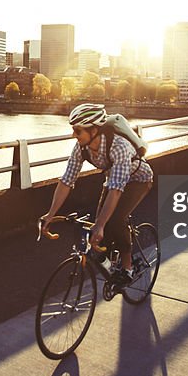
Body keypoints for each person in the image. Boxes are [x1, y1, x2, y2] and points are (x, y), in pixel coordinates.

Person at [40, 103, 154, 286]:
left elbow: (117, 190)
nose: (73, 135)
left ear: (94, 130)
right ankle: (112, 261)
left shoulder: (119, 146)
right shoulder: (81, 148)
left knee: (115, 220)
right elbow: (67, 181)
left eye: (78, 131)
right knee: (101, 229)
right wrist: (50, 214)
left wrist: (100, 225)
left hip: (138, 181)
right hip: (114, 180)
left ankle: (128, 268)